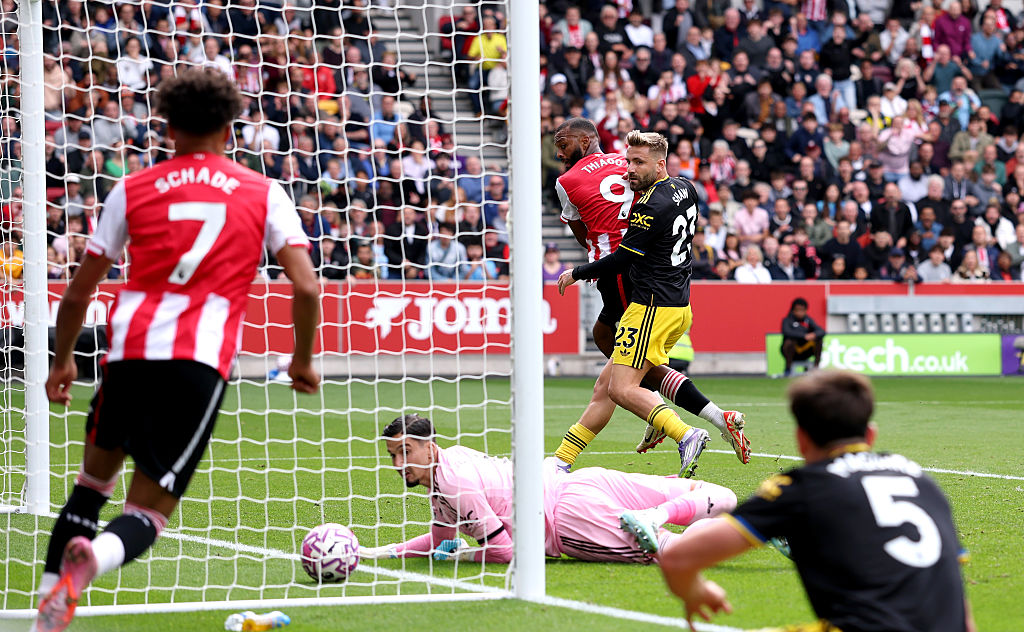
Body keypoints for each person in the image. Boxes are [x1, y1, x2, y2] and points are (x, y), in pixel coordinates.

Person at [32, 69, 321, 632]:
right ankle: (99, 557)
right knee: (145, 512)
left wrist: (64, 358)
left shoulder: (131, 189)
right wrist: (304, 358)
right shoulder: (263, 193)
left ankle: (47, 608)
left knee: (90, 487)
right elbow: (307, 286)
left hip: (128, 355)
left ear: (167, 124)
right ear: (230, 123)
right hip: (197, 364)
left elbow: (79, 289)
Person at [651, 371, 976, 632]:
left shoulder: (801, 488)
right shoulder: (921, 481)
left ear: (802, 441)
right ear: (871, 434)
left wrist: (696, 592)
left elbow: (679, 559)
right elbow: (963, 613)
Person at [552, 118, 749, 463]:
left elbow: (599, 241)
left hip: (636, 285)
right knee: (614, 369)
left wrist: (580, 270)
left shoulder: (571, 182)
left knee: (619, 383)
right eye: (630, 162)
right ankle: (561, 461)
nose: (630, 168)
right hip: (672, 288)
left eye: (564, 144)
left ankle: (682, 430)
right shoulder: (677, 183)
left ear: (585, 142)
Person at [358, 415, 737, 564]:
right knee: (718, 495)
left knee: (674, 552)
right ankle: (662, 517)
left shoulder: (453, 484)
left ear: (429, 446)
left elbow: (506, 552)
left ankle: (657, 524)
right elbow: (441, 539)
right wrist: (382, 551)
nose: (398, 465)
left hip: (566, 520)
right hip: (579, 480)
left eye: (405, 452)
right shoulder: (451, 461)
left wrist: (460, 558)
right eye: (393, 455)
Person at [779, 298, 824, 376]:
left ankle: (816, 367)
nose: (800, 312)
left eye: (802, 310)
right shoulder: (787, 320)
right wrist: (804, 336)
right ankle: (788, 369)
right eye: (798, 310)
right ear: (793, 310)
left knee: (818, 340)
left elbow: (821, 331)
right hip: (792, 351)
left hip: (805, 351)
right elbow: (786, 332)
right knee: (789, 342)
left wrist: (814, 335)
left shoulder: (808, 320)